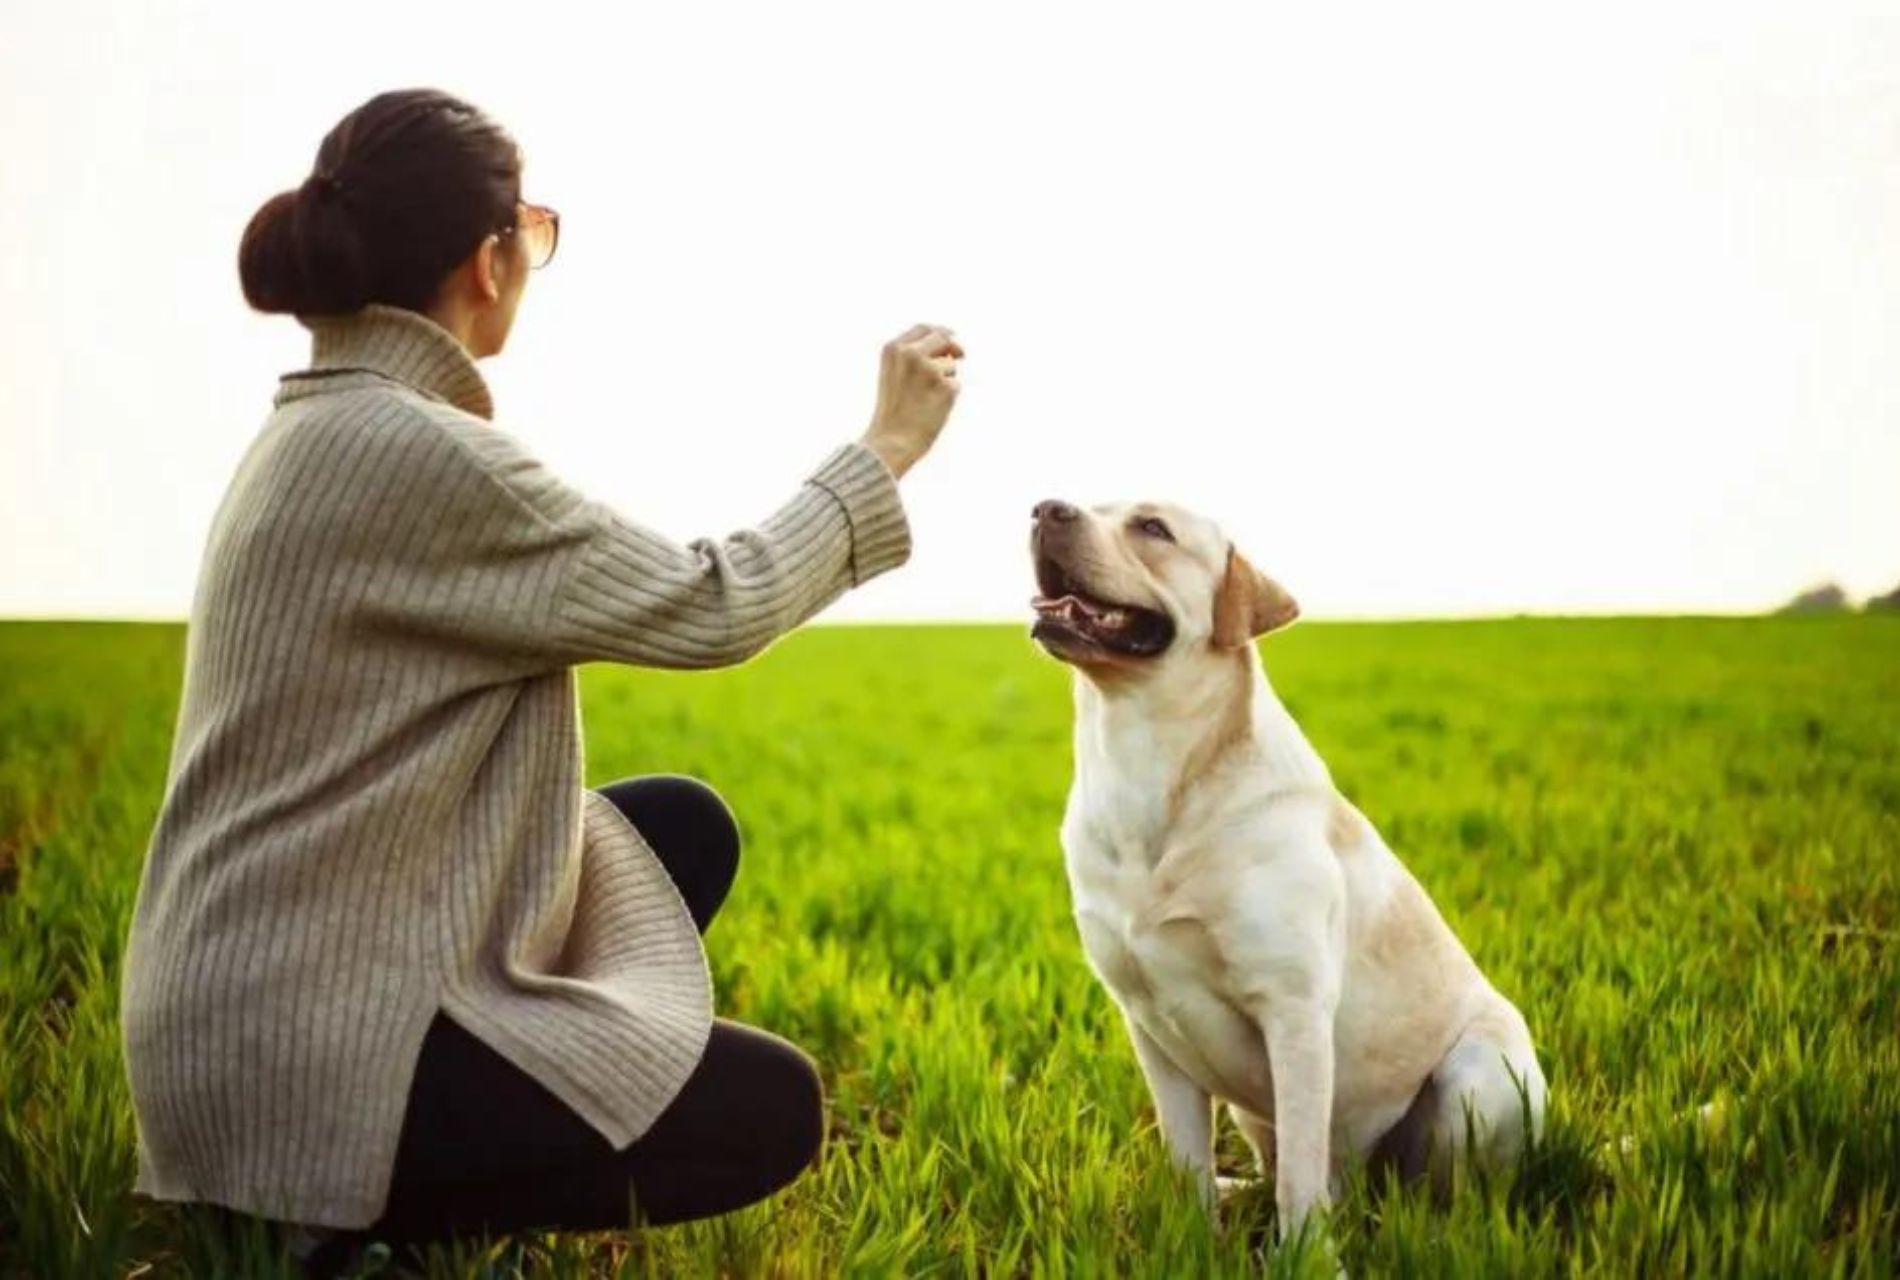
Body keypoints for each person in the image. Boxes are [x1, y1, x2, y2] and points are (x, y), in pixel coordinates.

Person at [117, 87, 962, 1275]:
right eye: (534, 231)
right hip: (307, 1059)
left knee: (674, 827)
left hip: (235, 1011)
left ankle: (398, 1205)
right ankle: (353, 1234)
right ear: (488, 256)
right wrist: (887, 449)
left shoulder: (315, 428)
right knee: (775, 1107)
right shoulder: (425, 454)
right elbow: (716, 602)